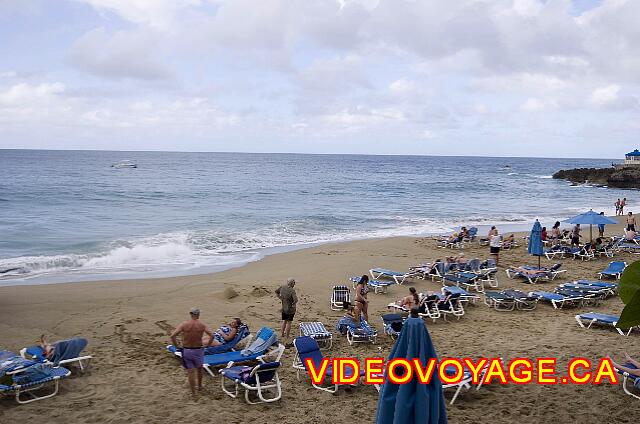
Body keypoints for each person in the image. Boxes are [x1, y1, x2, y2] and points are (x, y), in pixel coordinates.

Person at [170, 308, 214, 397]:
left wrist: (177, 346)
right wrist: (207, 345)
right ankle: (200, 386)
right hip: (198, 350)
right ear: (198, 315)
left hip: (187, 350)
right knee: (199, 370)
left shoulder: (184, 324)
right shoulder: (202, 325)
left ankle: (193, 393)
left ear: (190, 314)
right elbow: (212, 336)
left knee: (190, 372)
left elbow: (173, 336)